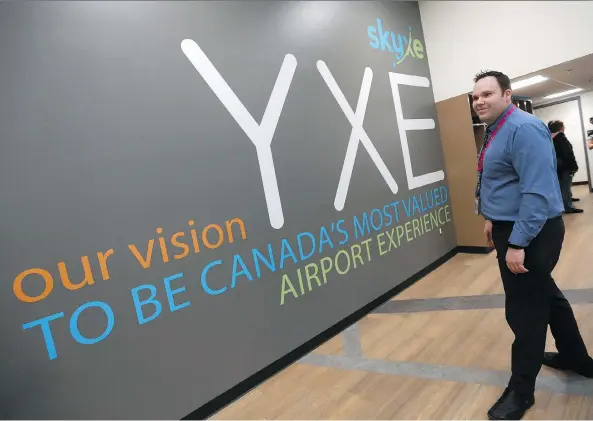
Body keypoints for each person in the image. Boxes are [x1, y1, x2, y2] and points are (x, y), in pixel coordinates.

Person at [472, 70, 593, 421]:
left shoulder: (522, 128)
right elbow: (500, 179)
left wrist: (517, 242)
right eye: (475, 95)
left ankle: (521, 391)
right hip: (511, 225)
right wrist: (492, 217)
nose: (479, 100)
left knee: (525, 312)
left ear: (507, 95)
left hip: (531, 231)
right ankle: (576, 358)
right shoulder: (496, 128)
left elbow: (538, 192)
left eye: (487, 94)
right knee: (547, 296)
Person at [547, 120, 582, 213]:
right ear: (560, 128)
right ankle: (568, 207)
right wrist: (573, 166)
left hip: (559, 167)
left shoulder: (551, 138)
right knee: (565, 187)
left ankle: (568, 200)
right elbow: (568, 154)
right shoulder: (560, 138)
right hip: (565, 167)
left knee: (564, 186)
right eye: (563, 126)